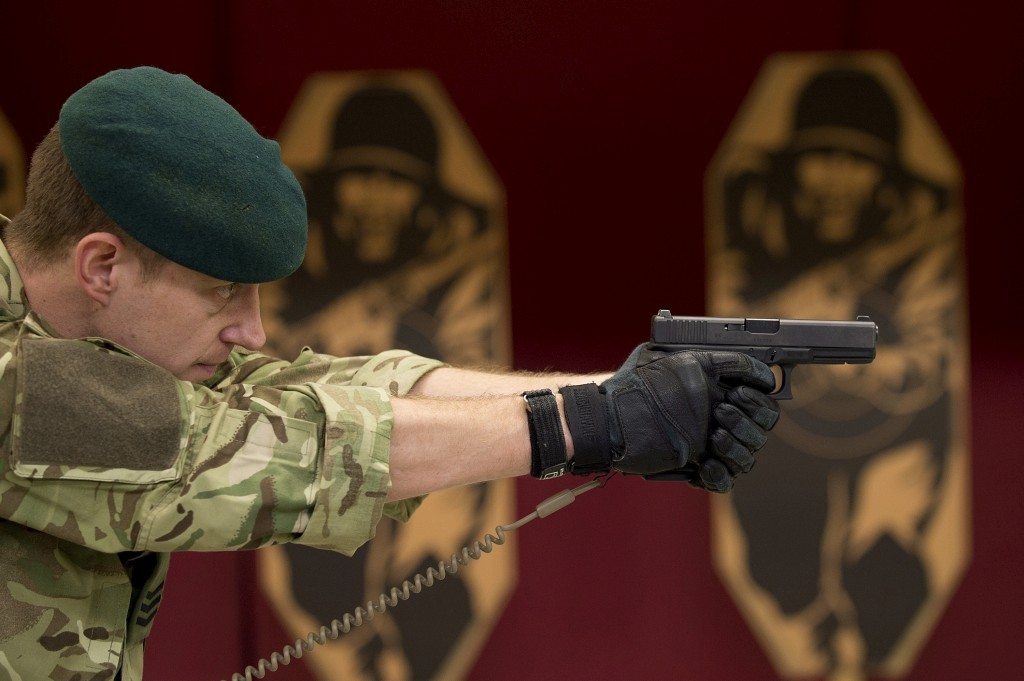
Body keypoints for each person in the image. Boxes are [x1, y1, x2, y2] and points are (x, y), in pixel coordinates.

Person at [0, 67, 779, 680]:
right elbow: (262, 446)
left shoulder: (90, 337)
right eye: (221, 291)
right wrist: (589, 425)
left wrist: (622, 395)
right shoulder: (20, 385)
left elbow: (318, 390)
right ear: (102, 266)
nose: (252, 327)